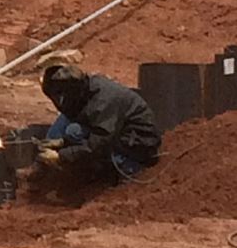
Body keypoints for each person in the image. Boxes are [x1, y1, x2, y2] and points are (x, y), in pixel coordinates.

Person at [30, 50, 161, 187]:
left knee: (76, 134)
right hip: (115, 131)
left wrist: (62, 156)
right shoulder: (87, 89)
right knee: (71, 129)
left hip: (137, 146)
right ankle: (45, 171)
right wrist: (62, 142)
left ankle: (107, 176)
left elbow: (99, 143)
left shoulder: (103, 103)